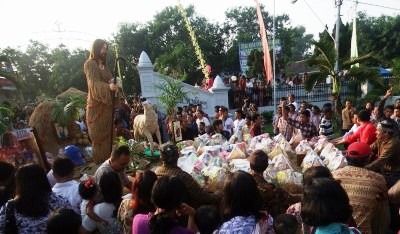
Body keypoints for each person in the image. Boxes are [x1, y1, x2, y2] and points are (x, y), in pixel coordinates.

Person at [332, 142, 389, 234]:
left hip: (338, 229)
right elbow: (385, 197)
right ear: (369, 158)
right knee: (382, 202)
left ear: (346, 155)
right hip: (363, 230)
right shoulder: (378, 178)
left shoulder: (334, 175)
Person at [0, 164, 71, 233]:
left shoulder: (9, 209)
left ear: (19, 184)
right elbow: (74, 224)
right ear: (44, 179)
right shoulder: (61, 201)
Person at [84, 39, 120, 164]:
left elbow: (111, 80)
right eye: (103, 48)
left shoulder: (106, 67)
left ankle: (113, 163)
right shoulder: (90, 64)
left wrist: (115, 85)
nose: (105, 51)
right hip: (96, 109)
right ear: (96, 48)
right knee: (100, 140)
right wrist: (108, 87)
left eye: (106, 48)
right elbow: (93, 84)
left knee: (111, 138)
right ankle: (102, 165)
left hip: (107, 109)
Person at [154, 143, 221, 209]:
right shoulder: (182, 176)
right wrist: (218, 194)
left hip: (167, 208)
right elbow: (203, 197)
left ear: (161, 158)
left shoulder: (157, 172)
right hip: (183, 212)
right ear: (178, 156)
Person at [131, 176, 196, 234]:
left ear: (153, 198)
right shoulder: (180, 231)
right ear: (180, 202)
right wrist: (192, 214)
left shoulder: (137, 220)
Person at [248, 150, 293, 218]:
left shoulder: (244, 180)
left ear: (250, 166)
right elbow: (289, 198)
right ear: (266, 166)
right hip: (263, 218)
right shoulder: (271, 189)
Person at [366, 120, 400, 187]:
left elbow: (381, 160)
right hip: (384, 170)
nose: (375, 132)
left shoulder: (394, 143)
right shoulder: (381, 139)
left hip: (394, 173)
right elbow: (368, 148)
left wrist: (364, 168)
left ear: (386, 133)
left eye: (378, 131)